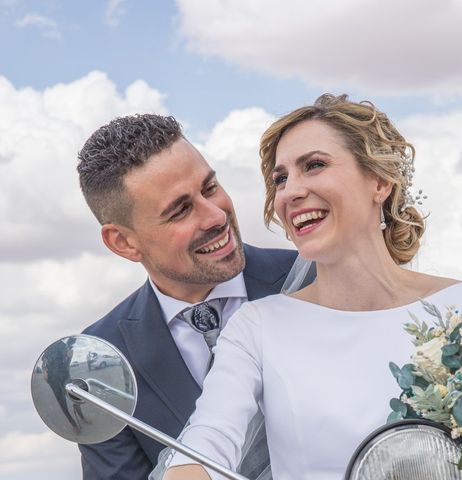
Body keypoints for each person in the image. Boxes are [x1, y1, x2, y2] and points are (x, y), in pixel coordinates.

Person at [163, 95, 462, 480]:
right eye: (280, 179)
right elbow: (204, 447)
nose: (291, 191)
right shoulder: (256, 328)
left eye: (314, 165)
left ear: (379, 182)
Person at [76, 114, 310, 480]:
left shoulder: (312, 280)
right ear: (124, 242)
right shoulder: (98, 364)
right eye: (181, 210)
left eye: (210, 187)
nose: (215, 215)